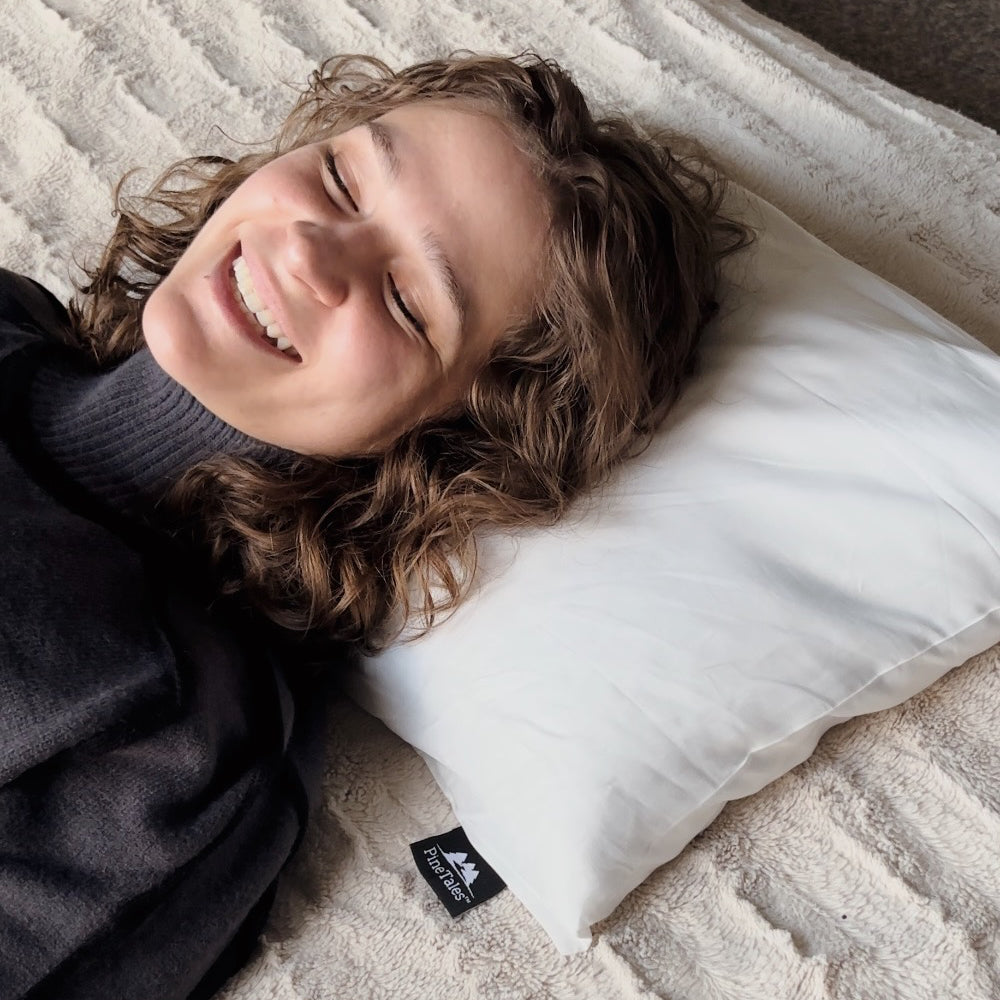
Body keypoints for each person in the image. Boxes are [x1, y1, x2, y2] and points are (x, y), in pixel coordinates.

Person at [0, 52, 750, 999]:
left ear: (453, 437)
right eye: (344, 177)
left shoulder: (182, 748)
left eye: (407, 302)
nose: (312, 252)